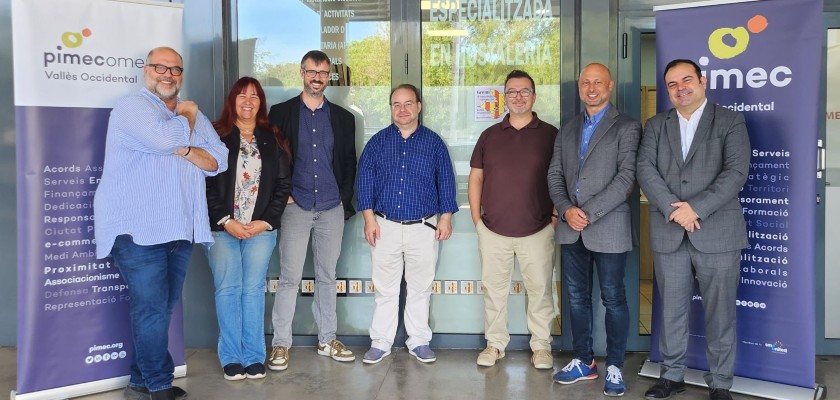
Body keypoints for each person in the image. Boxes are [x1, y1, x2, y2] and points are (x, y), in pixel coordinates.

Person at [94, 47, 228, 400]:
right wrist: (185, 119)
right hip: (138, 230)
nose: (168, 74)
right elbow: (162, 138)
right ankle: (158, 384)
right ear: (146, 70)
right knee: (151, 309)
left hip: (179, 227)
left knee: (160, 308)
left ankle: (139, 382)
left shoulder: (189, 114)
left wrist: (183, 149)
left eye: (175, 69)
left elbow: (219, 160)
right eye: (160, 67)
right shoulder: (132, 108)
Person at [636, 59, 750, 400]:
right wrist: (677, 211)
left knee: (720, 312)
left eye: (687, 80)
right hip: (671, 231)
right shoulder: (656, 125)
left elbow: (735, 172)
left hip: (717, 232)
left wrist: (695, 209)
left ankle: (720, 383)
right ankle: (671, 376)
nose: (680, 88)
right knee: (671, 309)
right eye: (672, 83)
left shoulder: (730, 120)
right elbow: (645, 168)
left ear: (703, 81)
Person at [548, 63, 640, 397]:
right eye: (586, 82)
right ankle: (584, 361)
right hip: (572, 229)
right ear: (579, 87)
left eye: (598, 82)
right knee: (576, 298)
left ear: (610, 86)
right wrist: (566, 209)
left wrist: (587, 212)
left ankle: (614, 365)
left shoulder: (627, 127)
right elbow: (555, 174)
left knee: (613, 298)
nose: (591, 88)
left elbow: (626, 178)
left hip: (608, 226)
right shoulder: (568, 128)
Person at [266, 50, 358, 370]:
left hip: (331, 207)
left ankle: (327, 338)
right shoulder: (280, 113)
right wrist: (283, 195)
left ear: (328, 76)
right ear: (301, 73)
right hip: (296, 206)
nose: (317, 77)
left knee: (327, 277)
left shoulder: (344, 118)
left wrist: (344, 200)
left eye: (323, 72)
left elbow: (349, 162)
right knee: (290, 278)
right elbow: (271, 160)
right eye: (311, 71)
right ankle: (280, 344)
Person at [356, 84, 458, 364]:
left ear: (419, 106)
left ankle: (419, 341)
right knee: (385, 289)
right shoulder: (377, 142)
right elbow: (364, 182)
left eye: (408, 103)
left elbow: (447, 181)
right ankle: (380, 342)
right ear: (391, 108)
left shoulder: (434, 143)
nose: (402, 110)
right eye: (396, 104)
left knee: (420, 288)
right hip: (384, 225)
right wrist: (368, 219)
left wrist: (446, 217)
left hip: (423, 228)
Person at [468, 69, 559, 370]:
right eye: (511, 92)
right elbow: (476, 178)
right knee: (494, 292)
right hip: (493, 231)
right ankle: (494, 344)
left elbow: (563, 179)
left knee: (540, 291)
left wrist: (555, 216)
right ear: (504, 97)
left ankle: (541, 346)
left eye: (524, 91)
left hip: (538, 229)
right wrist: (477, 222)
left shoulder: (551, 135)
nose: (517, 97)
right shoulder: (489, 136)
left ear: (534, 96)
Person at [205, 77, 292, 381]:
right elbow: (205, 184)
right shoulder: (216, 135)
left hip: (260, 229)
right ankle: (231, 357)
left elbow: (283, 185)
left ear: (261, 103)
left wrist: (265, 221)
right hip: (222, 229)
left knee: (252, 291)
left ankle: (254, 356)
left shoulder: (272, 137)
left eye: (254, 97)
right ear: (232, 100)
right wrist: (225, 221)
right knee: (228, 290)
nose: (248, 101)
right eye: (242, 95)